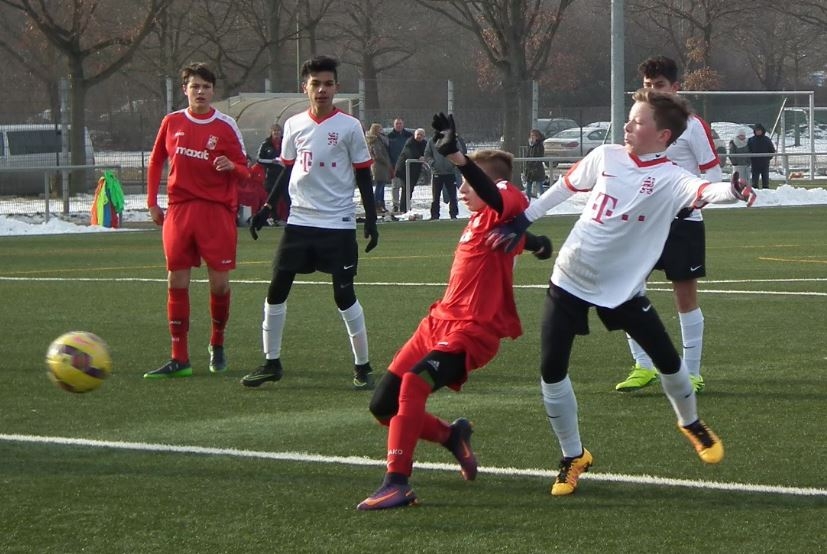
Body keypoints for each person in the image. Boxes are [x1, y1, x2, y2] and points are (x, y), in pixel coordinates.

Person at [487, 88, 756, 496]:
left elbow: (704, 191)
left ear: (663, 136)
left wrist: (733, 191)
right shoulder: (606, 156)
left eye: (638, 121)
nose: (628, 126)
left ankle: (690, 422)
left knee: (669, 363)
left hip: (623, 289)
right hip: (569, 277)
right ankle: (573, 455)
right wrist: (521, 221)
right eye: (629, 118)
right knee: (552, 369)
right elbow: (563, 189)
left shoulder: (671, 178)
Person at [357, 113, 553, 510]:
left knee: (414, 384)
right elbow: (525, 239)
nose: (462, 189)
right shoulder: (486, 223)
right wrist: (540, 245)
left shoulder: (505, 199)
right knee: (382, 407)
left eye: (467, 182)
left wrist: (462, 160)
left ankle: (397, 482)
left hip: (472, 331)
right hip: (436, 323)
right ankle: (451, 436)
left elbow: (501, 199)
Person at [243, 55, 380, 390]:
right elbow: (287, 170)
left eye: (328, 84)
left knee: (344, 295)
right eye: (316, 84)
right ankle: (271, 362)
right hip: (300, 221)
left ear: (336, 87)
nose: (322, 90)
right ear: (304, 87)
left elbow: (364, 175)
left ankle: (363, 366)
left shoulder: (349, 127)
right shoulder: (293, 124)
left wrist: (371, 219)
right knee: (276, 289)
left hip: (338, 222)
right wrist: (266, 208)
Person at [615, 56, 724, 395]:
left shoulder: (691, 125)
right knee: (626, 291)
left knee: (685, 297)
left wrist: (694, 202)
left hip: (682, 222)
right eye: (648, 86)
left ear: (675, 87)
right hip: (642, 222)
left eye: (659, 85)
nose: (653, 91)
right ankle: (643, 366)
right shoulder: (638, 122)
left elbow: (713, 173)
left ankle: (691, 372)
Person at [143, 62, 249, 379]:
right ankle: (180, 357)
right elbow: (156, 160)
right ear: (185, 90)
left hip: (216, 212)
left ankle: (217, 342)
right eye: (195, 86)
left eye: (206, 86)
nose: (200, 92)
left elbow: (247, 171)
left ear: (213, 91)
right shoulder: (172, 122)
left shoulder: (226, 126)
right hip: (179, 209)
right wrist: (152, 202)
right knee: (176, 280)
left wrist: (231, 166)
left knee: (219, 284)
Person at [423, 129, 460, 219]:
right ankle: (435, 215)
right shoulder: (432, 141)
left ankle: (453, 214)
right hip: (437, 173)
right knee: (436, 196)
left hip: (450, 172)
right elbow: (427, 154)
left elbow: (459, 152)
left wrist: (453, 163)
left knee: (453, 195)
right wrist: (433, 163)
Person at [257, 123, 289, 223]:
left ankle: (290, 217)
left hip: (284, 173)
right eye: (274, 131)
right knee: (272, 197)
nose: (276, 134)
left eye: (278, 131)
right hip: (271, 175)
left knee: (287, 196)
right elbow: (259, 159)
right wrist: (271, 161)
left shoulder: (286, 142)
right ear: (271, 133)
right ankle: (274, 218)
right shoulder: (266, 144)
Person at [394, 128, 427, 213]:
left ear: (424, 136)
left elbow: (427, 151)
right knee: (406, 189)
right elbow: (410, 152)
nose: (419, 136)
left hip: (414, 170)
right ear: (414, 135)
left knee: (410, 189)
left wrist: (426, 157)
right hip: (404, 170)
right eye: (418, 134)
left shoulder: (424, 143)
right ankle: (403, 208)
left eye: (421, 135)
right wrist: (419, 157)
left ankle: (406, 206)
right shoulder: (410, 142)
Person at [365, 123, 393, 214]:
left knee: (382, 185)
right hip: (379, 165)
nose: (382, 131)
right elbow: (377, 154)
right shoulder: (375, 141)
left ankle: (381, 204)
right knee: (380, 185)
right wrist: (386, 162)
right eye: (380, 129)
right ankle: (377, 204)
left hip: (382, 165)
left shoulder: (380, 139)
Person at [387, 118, 413, 213]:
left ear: (403, 124)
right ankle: (395, 204)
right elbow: (387, 151)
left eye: (400, 123)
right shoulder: (390, 136)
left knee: (407, 186)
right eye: (397, 123)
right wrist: (390, 164)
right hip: (395, 165)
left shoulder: (409, 135)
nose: (399, 125)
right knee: (395, 186)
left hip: (407, 164)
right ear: (394, 125)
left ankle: (405, 204)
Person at [748, 123, 775, 189]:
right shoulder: (751, 140)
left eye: (759, 130)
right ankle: (755, 192)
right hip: (755, 163)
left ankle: (766, 192)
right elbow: (748, 150)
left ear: (762, 130)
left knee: (765, 180)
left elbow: (772, 150)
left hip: (764, 163)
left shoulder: (767, 140)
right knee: (754, 181)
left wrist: (767, 158)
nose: (758, 132)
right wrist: (751, 159)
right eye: (756, 130)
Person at [524, 129, 547, 198]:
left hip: (537, 168)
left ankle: (543, 200)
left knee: (540, 186)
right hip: (529, 168)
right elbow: (527, 156)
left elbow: (539, 156)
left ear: (537, 136)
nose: (532, 137)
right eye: (531, 135)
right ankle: (528, 201)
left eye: (533, 135)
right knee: (528, 187)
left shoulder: (539, 145)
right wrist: (527, 166)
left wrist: (534, 166)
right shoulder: (530, 145)